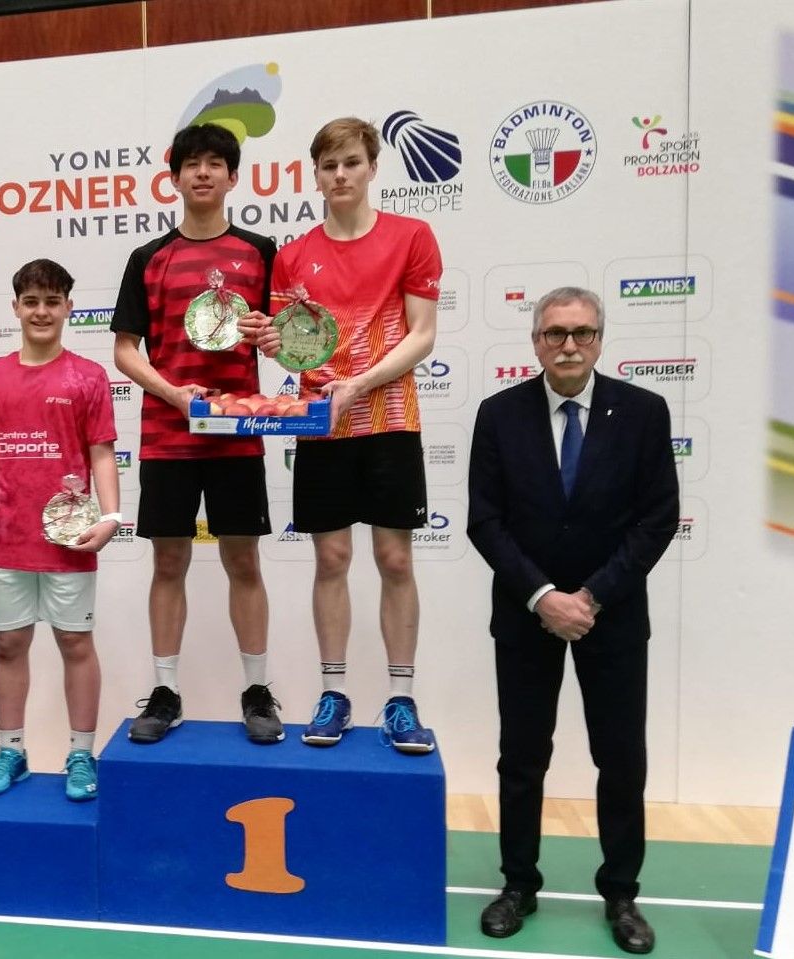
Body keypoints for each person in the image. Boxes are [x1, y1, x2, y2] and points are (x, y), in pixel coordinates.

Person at [467, 287, 677, 954]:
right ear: (535, 342)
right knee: (523, 758)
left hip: (609, 616)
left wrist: (589, 596)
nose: (567, 344)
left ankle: (621, 893)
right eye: (555, 332)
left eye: (582, 332)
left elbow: (657, 518)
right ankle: (519, 884)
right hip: (526, 615)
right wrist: (541, 596)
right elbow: (484, 520)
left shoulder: (644, 412)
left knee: (620, 760)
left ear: (599, 340)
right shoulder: (498, 414)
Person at [244, 116, 442, 753]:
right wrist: (272, 343)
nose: (340, 175)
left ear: (372, 166)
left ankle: (402, 699)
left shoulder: (413, 236)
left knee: (395, 559)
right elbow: (291, 348)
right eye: (329, 166)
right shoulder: (293, 255)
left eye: (351, 162)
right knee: (330, 559)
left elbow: (422, 334)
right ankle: (334, 694)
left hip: (389, 422)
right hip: (320, 427)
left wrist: (356, 386)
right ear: (317, 175)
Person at [111, 122, 281, 745]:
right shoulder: (147, 258)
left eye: (215, 163)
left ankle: (258, 690)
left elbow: (291, 342)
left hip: (239, 434)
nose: (203, 172)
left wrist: (272, 335)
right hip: (168, 434)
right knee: (169, 561)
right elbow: (126, 351)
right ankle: (165, 690)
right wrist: (175, 394)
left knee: (244, 560)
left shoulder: (262, 251)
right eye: (192, 163)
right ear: (175, 176)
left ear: (234, 177)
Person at [0, 258, 119, 801]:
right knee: (9, 645)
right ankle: (12, 750)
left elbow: (101, 453)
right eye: (31, 301)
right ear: (16, 308)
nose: (41, 311)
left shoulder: (88, 377)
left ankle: (80, 754)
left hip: (69, 536)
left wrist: (111, 516)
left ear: (69, 307)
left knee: (74, 641)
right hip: (5, 536)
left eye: (52, 301)